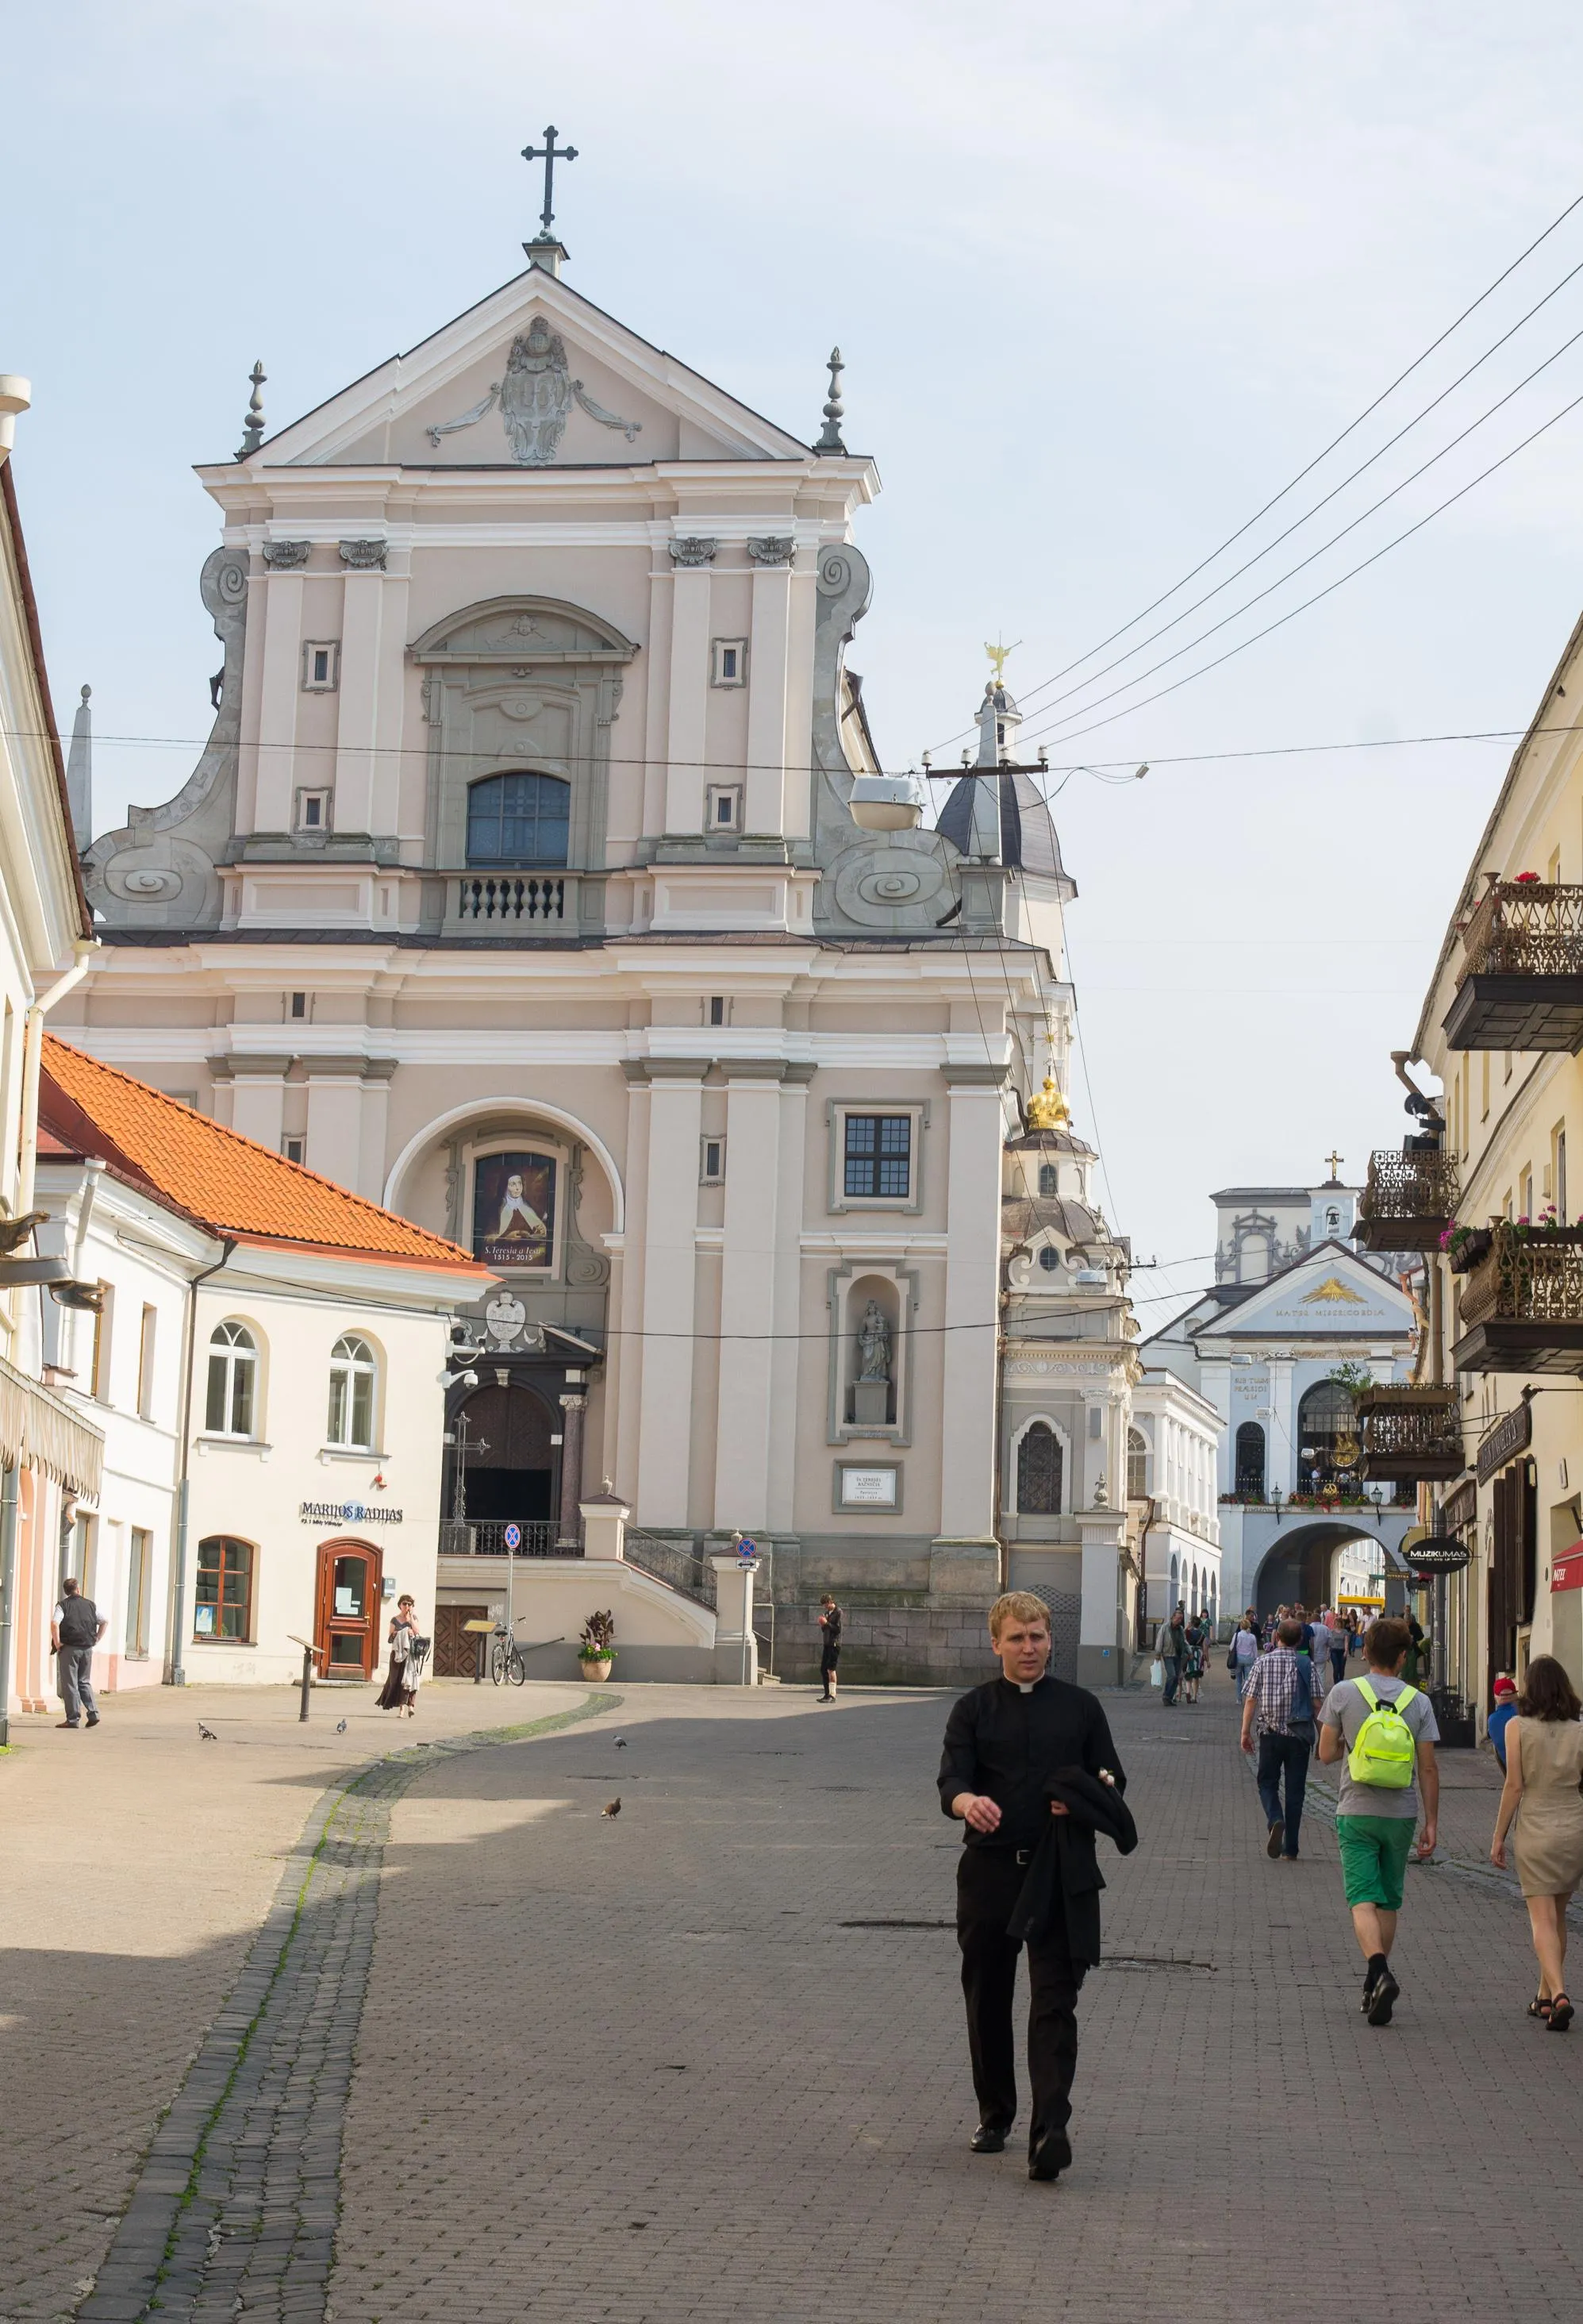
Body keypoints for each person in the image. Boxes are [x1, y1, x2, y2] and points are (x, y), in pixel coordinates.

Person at [939, 1591, 1133, 2183]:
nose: (1029, 1648)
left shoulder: (1080, 1707)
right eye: (1017, 1638)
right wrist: (967, 1803)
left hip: (1059, 1874)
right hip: (990, 1873)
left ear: (1052, 1640)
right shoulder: (972, 1709)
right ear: (995, 1642)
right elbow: (951, 1778)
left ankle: (1050, 2128)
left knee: (1054, 2000)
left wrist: (1086, 1794)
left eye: (1038, 1637)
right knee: (987, 1997)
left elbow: (1112, 1779)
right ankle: (995, 2114)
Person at [1317, 1616, 1439, 2026]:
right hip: (1401, 1814)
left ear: (1365, 1651)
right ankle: (1375, 1982)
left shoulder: (1344, 1693)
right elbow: (1427, 1769)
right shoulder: (1419, 1702)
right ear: (1404, 1657)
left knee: (1361, 1899)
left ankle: (1378, 1971)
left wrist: (1355, 1747)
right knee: (1388, 1898)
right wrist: (1432, 1823)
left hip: (1356, 1810)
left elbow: (1325, 1754)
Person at [1489, 1655, 1583, 2029]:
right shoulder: (1580, 1730)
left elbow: (1514, 1786)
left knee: (1541, 1919)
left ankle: (1559, 1993)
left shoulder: (1517, 1727)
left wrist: (1498, 1837)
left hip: (1536, 1826)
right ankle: (1544, 1997)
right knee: (1558, 1914)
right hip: (1574, 1825)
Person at [1239, 1618, 1316, 1860]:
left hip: (1270, 1735)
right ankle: (1291, 1848)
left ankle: (1275, 1818)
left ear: (1276, 1637)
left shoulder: (1262, 1662)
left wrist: (1245, 1732)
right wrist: (1325, 1736)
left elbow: (1250, 1699)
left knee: (1267, 1784)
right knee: (1295, 1792)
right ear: (1301, 1640)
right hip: (1299, 1737)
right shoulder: (1306, 1664)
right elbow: (1317, 1703)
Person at [51, 1576, 106, 1730]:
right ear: (78, 1589)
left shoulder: (63, 1606)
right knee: (84, 1681)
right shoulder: (90, 1605)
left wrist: (57, 1643)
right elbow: (104, 1621)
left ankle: (73, 1719)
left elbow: (55, 1623)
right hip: (87, 1648)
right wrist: (97, 1639)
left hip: (69, 1648)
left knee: (70, 1684)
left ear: (66, 1591)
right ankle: (93, 1713)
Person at [378, 1595, 424, 1718]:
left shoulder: (413, 1618)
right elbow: (391, 1636)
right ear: (400, 1605)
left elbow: (417, 1631)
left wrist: (410, 1620)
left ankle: (411, 1706)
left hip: (411, 1655)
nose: (407, 1606)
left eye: (409, 1604)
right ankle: (401, 1708)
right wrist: (401, 1632)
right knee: (397, 1679)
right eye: (405, 1604)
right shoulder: (395, 1620)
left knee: (411, 1679)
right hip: (398, 1654)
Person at [1155, 1605, 1187, 1707]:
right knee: (1172, 1675)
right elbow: (1160, 1640)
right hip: (1168, 1654)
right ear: (1173, 1617)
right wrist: (1158, 1653)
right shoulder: (1165, 1627)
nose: (1179, 1620)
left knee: (1177, 1677)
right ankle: (1166, 1696)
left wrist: (1189, 1652)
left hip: (1178, 1655)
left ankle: (1169, 1697)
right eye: (1177, 1618)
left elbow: (1184, 1641)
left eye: (1181, 1619)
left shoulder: (1181, 1629)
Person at [1488, 1672, 1520, 1771]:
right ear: (1515, 1694)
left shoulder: (1492, 1720)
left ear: (1496, 1697)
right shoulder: (1524, 1713)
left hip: (1510, 1770)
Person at [816, 1594, 843, 1703]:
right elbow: (826, 1630)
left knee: (831, 1669)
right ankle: (827, 1694)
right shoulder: (827, 1613)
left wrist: (827, 1623)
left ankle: (833, 1695)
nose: (825, 1607)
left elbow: (838, 1629)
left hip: (834, 1644)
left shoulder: (838, 1612)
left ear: (830, 1602)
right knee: (823, 1669)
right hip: (827, 1643)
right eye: (824, 1605)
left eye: (826, 1604)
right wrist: (823, 1625)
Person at [1228, 1613, 1260, 1699]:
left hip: (1238, 1659)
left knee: (1238, 1680)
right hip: (1249, 1660)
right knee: (1248, 1680)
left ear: (1241, 1626)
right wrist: (1256, 1660)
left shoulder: (1237, 1635)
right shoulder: (1252, 1637)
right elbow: (1255, 1651)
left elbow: (1231, 1647)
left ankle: (1239, 1699)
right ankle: (1248, 1699)